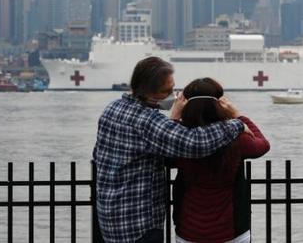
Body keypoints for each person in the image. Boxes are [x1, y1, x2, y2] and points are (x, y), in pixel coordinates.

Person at [93, 57, 248, 243]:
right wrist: (236, 124)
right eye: (166, 91)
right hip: (139, 224)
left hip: (109, 217)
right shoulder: (147, 121)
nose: (173, 95)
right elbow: (195, 143)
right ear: (147, 92)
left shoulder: (112, 109)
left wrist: (172, 119)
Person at [171, 78, 270, 243]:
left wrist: (174, 118)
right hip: (232, 231)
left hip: (189, 231)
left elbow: (163, 152)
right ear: (219, 105)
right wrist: (239, 116)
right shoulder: (236, 137)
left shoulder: (180, 141)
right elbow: (263, 145)